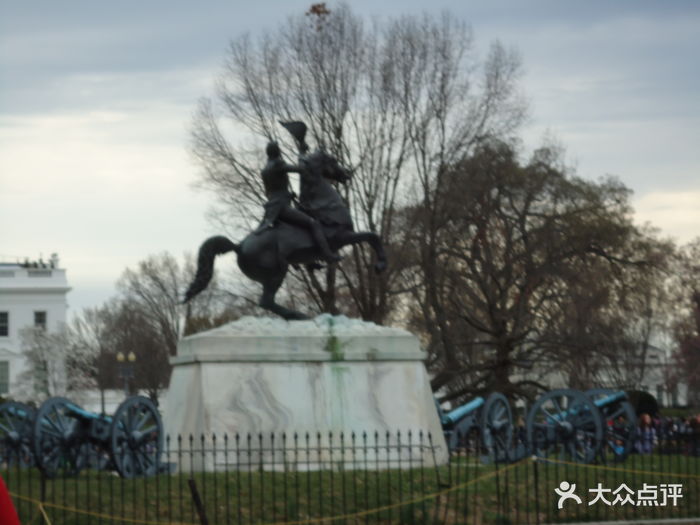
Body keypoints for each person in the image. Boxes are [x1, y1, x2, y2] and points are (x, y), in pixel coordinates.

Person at [257, 141, 341, 263]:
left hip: (272, 209)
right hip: (282, 208)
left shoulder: (265, 170)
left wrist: (288, 195)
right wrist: (301, 153)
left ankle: (310, 262)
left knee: (299, 230)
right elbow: (301, 169)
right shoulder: (278, 165)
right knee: (313, 223)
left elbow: (271, 192)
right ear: (277, 152)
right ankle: (327, 254)